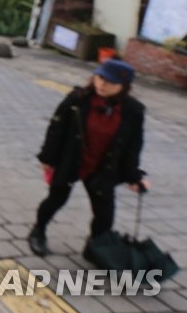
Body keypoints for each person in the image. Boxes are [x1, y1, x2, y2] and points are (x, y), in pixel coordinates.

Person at [28, 59, 150, 257]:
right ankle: (38, 231)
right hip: (71, 160)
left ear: (124, 86)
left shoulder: (133, 110)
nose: (101, 84)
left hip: (103, 166)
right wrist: (48, 158)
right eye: (100, 77)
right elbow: (56, 128)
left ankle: (95, 247)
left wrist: (134, 176)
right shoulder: (77, 99)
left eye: (110, 82)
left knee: (105, 215)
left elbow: (133, 145)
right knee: (55, 199)